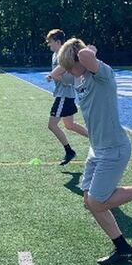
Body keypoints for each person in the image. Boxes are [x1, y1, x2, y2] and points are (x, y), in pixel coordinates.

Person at [55, 38, 132, 265]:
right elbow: (58, 73)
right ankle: (122, 248)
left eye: (73, 64)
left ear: (80, 58)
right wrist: (70, 58)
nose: (70, 70)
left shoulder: (103, 75)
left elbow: (86, 58)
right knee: (89, 201)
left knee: (98, 202)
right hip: (97, 150)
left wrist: (84, 49)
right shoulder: (79, 77)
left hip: (114, 149)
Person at [45, 29, 89, 165]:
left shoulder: (63, 56)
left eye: (50, 42)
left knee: (52, 125)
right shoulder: (55, 55)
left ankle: (69, 151)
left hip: (64, 95)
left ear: (58, 42)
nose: (49, 44)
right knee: (69, 125)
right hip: (62, 94)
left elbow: (71, 77)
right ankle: (95, 138)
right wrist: (53, 76)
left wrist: (58, 77)